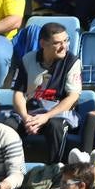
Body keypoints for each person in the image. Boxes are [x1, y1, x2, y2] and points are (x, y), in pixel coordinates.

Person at [7, 22, 82, 165]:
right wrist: (25, 117)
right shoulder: (28, 59)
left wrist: (46, 116)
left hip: (58, 113)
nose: (64, 46)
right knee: (9, 126)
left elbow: (73, 97)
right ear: (43, 44)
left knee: (55, 126)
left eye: (66, 41)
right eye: (57, 43)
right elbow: (18, 93)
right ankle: (12, 168)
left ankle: (55, 169)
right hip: (32, 111)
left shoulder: (72, 61)